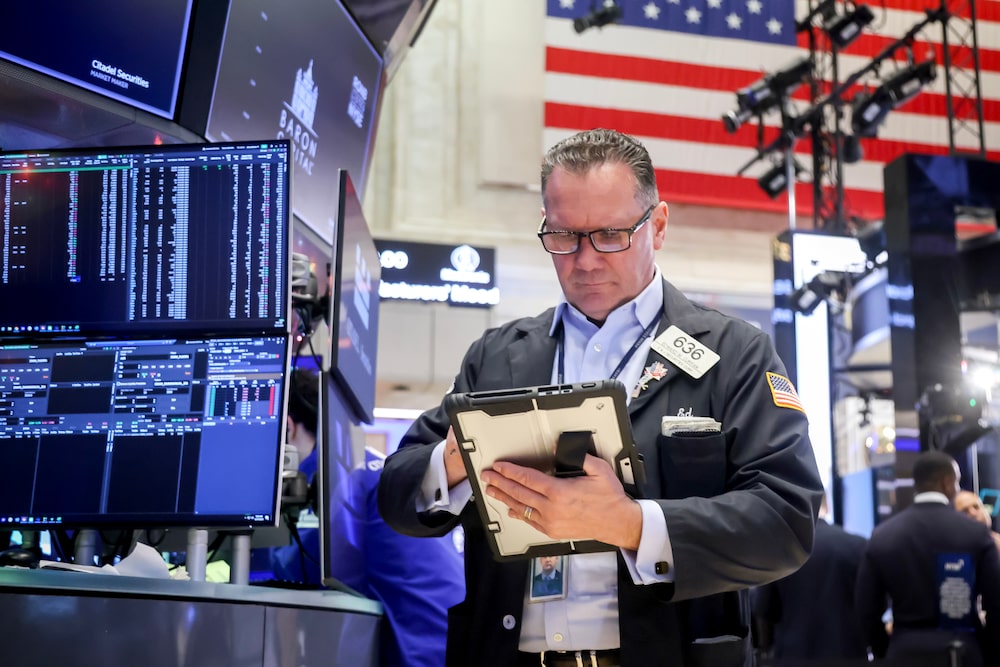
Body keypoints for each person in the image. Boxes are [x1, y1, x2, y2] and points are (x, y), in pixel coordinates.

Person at [377, 128, 823, 667]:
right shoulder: (498, 357)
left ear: (657, 226)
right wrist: (453, 461)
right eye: (564, 237)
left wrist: (631, 524)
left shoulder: (735, 354)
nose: (585, 260)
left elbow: (787, 518)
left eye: (610, 234)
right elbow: (397, 488)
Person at [855, 451, 1000, 666]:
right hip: (963, 653)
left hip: (903, 653)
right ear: (947, 482)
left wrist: (886, 651)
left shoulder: (882, 536)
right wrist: (986, 651)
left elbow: (866, 611)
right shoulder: (976, 534)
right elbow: (996, 603)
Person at [752, 495, 887, 664]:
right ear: (827, 507)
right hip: (848, 654)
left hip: (793, 656)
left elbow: (764, 609)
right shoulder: (858, 546)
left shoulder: (781, 550)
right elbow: (873, 607)